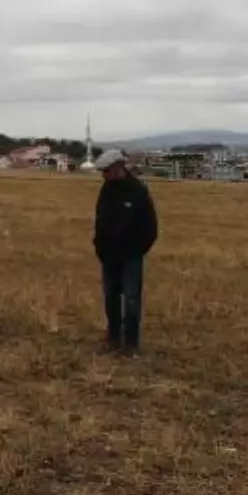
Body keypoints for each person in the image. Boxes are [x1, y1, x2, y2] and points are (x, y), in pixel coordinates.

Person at [92, 149, 158, 354]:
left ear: (119, 168)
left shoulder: (138, 191)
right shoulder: (106, 190)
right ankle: (113, 337)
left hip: (131, 257)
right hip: (109, 255)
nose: (104, 175)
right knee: (111, 297)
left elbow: (150, 228)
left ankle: (131, 343)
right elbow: (100, 220)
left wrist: (137, 251)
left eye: (106, 171)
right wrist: (99, 246)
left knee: (131, 299)